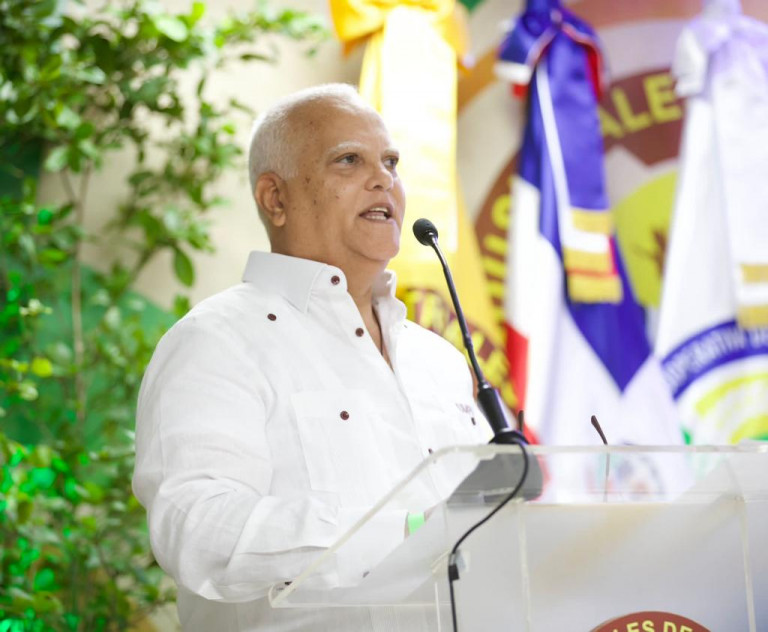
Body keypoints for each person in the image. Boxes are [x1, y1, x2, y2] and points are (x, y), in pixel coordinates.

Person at [132, 83, 490, 631]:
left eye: (391, 162)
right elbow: (197, 530)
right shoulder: (216, 340)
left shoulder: (438, 359)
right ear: (275, 199)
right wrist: (402, 533)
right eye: (349, 160)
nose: (383, 180)